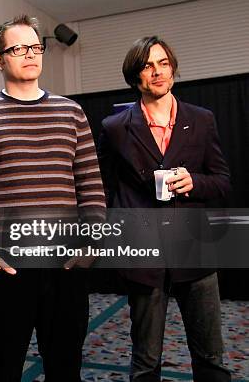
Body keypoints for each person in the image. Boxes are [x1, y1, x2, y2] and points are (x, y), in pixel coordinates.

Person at [0, 15, 106, 381]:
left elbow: (91, 187)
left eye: (35, 47)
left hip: (64, 268)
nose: (30, 55)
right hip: (5, 269)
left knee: (65, 369)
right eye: (18, 48)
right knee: (2, 370)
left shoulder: (71, 112)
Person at [98, 36, 231, 381]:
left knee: (211, 358)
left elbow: (222, 180)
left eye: (163, 63)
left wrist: (195, 182)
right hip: (144, 251)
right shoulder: (115, 128)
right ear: (135, 76)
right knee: (145, 362)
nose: (157, 72)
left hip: (195, 248)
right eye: (147, 65)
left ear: (172, 69)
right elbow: (106, 190)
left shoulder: (202, 120)